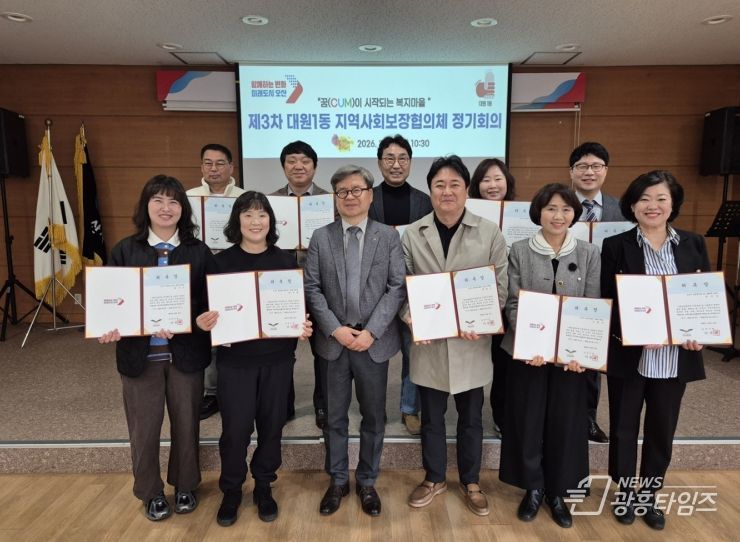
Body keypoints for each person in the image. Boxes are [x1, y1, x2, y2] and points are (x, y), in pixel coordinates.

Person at [99, 175, 215, 521]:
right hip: (140, 358)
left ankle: (185, 485)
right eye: (158, 201)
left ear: (183, 209)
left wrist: (199, 321)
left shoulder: (198, 251)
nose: (166, 208)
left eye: (174, 201)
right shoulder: (125, 250)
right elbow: (111, 299)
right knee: (144, 430)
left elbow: (208, 302)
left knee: (186, 426)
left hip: (185, 355)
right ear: (145, 206)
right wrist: (109, 326)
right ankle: (150, 492)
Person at [195, 191, 312, 526]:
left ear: (271, 221)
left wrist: (301, 325)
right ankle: (232, 489)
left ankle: (263, 484)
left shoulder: (285, 261)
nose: (255, 221)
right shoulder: (220, 263)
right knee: (235, 430)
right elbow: (205, 309)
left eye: (262, 215)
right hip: (235, 362)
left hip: (278, 359)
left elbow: (297, 307)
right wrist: (203, 321)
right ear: (237, 221)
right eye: (247, 214)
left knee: (272, 426)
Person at [601, 170, 709, 530]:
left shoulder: (693, 244)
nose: (653, 206)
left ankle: (649, 493)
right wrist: (630, 331)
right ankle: (625, 491)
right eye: (644, 199)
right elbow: (606, 301)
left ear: (673, 204)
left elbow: (703, 297)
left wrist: (700, 332)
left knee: (662, 429)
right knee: (623, 427)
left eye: (661, 198)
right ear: (632, 205)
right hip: (631, 355)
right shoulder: (616, 246)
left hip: (675, 357)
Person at [402, 155, 508, 517]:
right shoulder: (412, 233)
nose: (447, 191)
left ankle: (471, 480)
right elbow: (402, 286)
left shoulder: (489, 232)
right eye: (439, 185)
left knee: (471, 417)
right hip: (429, 342)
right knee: (431, 418)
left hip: (471, 342)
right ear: (430, 190)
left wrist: (483, 317)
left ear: (466, 189)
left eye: (454, 185)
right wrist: (412, 317)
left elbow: (500, 287)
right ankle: (434, 478)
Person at [304, 165, 406, 517]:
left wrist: (371, 331)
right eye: (343, 191)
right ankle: (337, 480)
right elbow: (312, 289)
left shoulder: (388, 237)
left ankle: (367, 480)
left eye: (356, 189)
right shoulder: (320, 237)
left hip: (372, 343)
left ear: (370, 194)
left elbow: (396, 287)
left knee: (373, 416)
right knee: (334, 417)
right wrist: (335, 329)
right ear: (335, 198)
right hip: (334, 343)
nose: (350, 196)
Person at [499, 183, 599, 529]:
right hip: (528, 355)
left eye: (566, 209)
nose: (559, 216)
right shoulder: (519, 250)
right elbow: (513, 302)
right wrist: (531, 343)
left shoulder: (589, 252)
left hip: (572, 361)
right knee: (528, 421)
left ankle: (558, 491)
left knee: (566, 423)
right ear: (538, 212)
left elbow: (591, 306)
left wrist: (580, 351)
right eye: (551, 208)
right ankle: (533, 487)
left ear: (575, 214)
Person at [368, 134, 433, 436]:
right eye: (389, 158)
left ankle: (409, 409)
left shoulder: (424, 202)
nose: (396, 164)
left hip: (411, 289)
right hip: (374, 289)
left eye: (402, 158)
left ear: (410, 162)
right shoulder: (367, 198)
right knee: (373, 353)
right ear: (380, 162)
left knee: (413, 351)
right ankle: (374, 409)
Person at [271, 140, 331, 428]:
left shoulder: (330, 201)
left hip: (321, 286)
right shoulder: (269, 202)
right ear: (284, 167)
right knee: (282, 350)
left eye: (305, 161)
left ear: (314, 167)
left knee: (324, 350)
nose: (298, 166)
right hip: (280, 287)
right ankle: (283, 404)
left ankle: (323, 405)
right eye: (292, 161)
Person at [569, 141, 624, 443]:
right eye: (582, 166)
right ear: (572, 171)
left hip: (606, 293)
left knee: (592, 358)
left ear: (605, 170)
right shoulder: (560, 204)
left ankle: (588, 418)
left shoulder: (622, 209)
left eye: (595, 166)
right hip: (566, 289)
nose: (589, 172)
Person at [187, 143, 246, 421]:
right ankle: (211, 392)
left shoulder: (244, 198)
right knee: (208, 327)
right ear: (201, 167)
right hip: (200, 270)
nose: (214, 169)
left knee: (237, 327)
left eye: (220, 163)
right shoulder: (188, 198)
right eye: (208, 163)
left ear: (231, 167)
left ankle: (237, 388)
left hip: (235, 269)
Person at [468, 158, 516, 437]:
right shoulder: (468, 215)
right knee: (474, 357)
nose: (492, 185)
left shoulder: (523, 214)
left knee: (503, 362)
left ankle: (501, 414)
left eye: (498, 178)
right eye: (486, 180)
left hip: (509, 297)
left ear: (507, 182)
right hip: (475, 296)